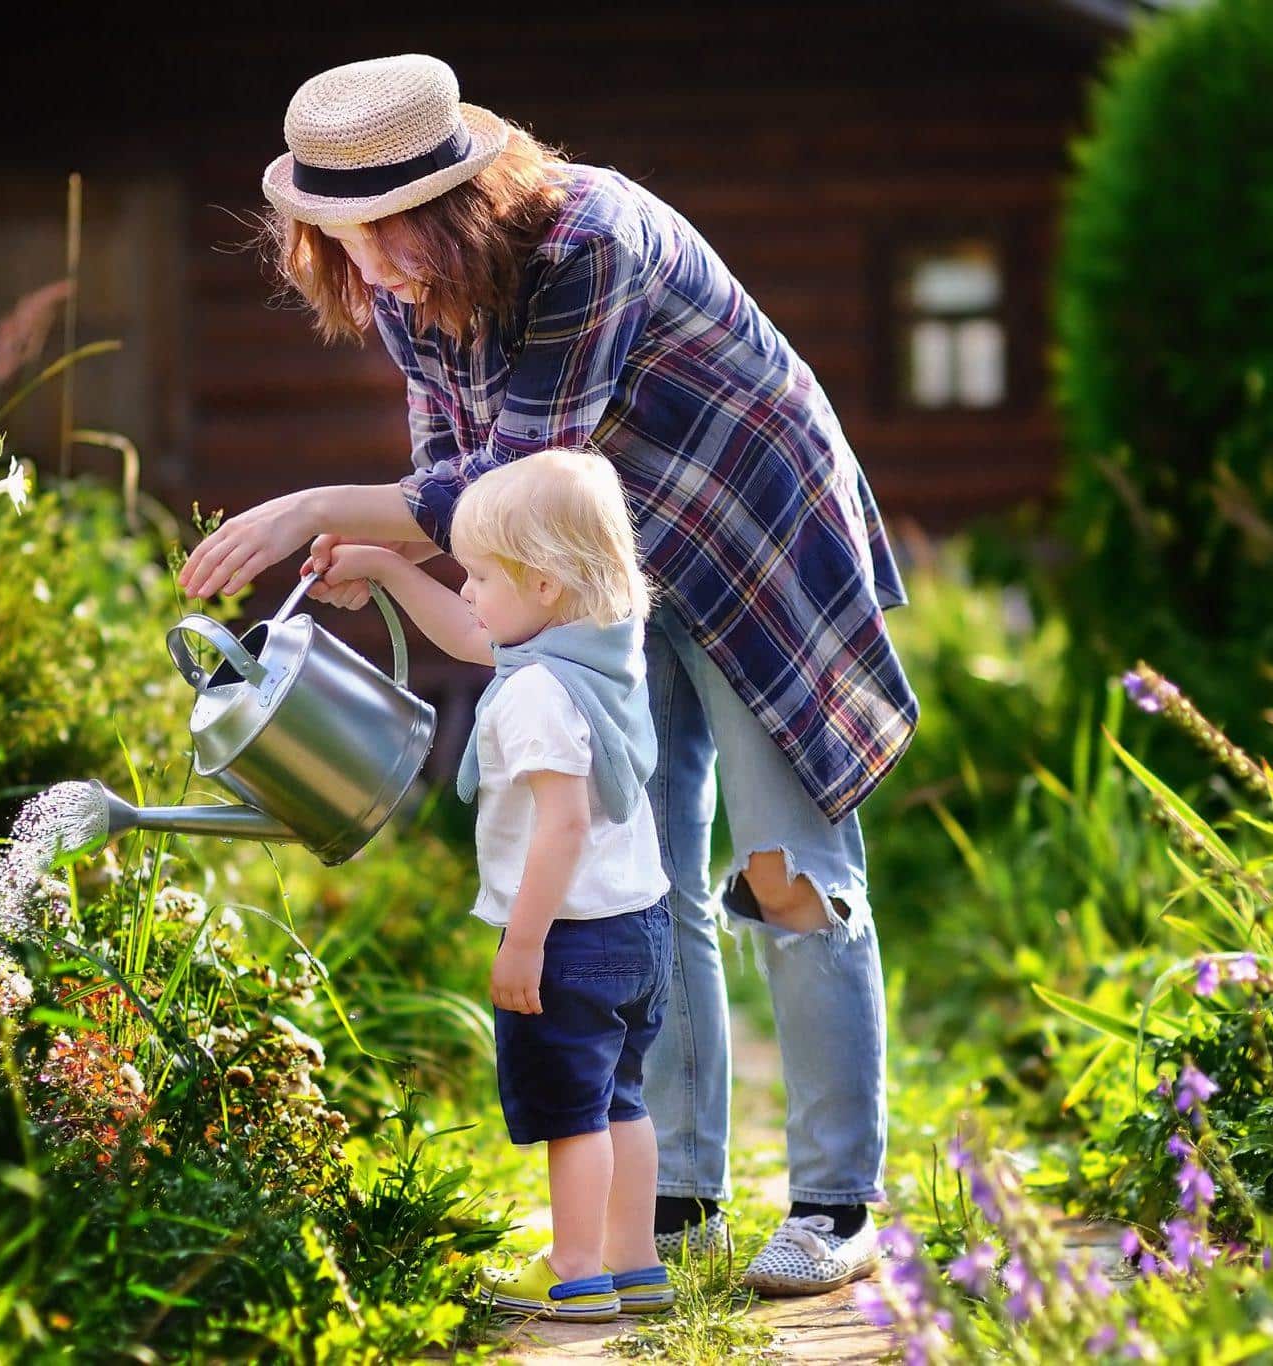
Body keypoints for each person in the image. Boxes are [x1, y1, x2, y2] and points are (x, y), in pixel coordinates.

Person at [178, 53, 919, 1294]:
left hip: (746, 531)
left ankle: (837, 1204)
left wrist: (314, 501)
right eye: (342, 236)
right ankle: (676, 1199)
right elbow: (464, 501)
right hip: (602, 569)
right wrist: (387, 555)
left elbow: (511, 472)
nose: (375, 265)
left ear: (461, 198)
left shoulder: (591, 239)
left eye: (393, 229)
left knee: (788, 871)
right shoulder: (410, 292)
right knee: (642, 870)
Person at [320, 449, 673, 1321]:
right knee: (622, 1101)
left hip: (567, 938)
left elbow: (562, 825)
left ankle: (576, 1272)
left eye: (479, 575)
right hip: (640, 927)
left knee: (571, 1117)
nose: (468, 592)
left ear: (546, 585)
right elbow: (480, 635)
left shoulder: (534, 695)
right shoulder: (604, 649)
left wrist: (523, 941)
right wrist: (387, 567)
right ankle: (635, 1264)